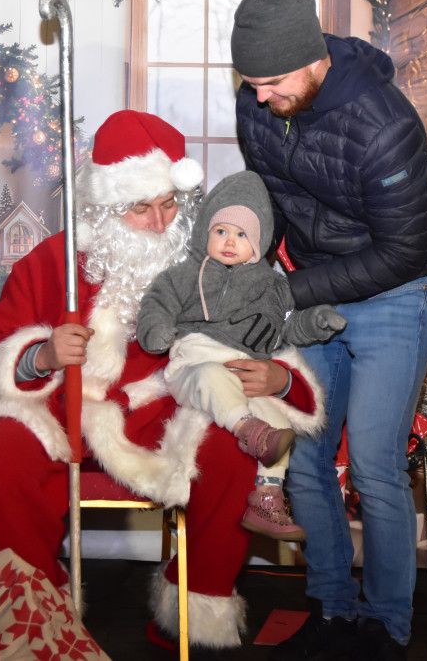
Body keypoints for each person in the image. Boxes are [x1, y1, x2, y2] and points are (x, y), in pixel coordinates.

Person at [0, 110, 327, 651]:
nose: (159, 223)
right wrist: (40, 355)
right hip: (67, 420)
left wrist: (278, 378)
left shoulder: (219, 267)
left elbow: (272, 340)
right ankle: (31, 611)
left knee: (235, 442)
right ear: (105, 209)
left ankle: (193, 607)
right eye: (139, 208)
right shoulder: (51, 264)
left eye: (169, 204)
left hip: (170, 417)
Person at [230, 0, 427, 661]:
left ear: (313, 56)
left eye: (271, 80)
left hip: (401, 286)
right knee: (309, 458)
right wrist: (244, 261)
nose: (260, 96)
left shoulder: (382, 122)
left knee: (376, 466)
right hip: (316, 282)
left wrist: (289, 290)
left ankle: (385, 625)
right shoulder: (260, 105)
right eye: (251, 82)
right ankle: (332, 608)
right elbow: (270, 195)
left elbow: (405, 249)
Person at [136, 170, 344, 542]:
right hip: (194, 361)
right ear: (205, 233)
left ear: (258, 243)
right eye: (221, 231)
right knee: (210, 378)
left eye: (241, 234)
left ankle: (267, 497)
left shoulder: (272, 288)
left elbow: (287, 329)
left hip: (245, 371)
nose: (230, 241)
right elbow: (157, 303)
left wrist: (316, 322)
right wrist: (156, 330)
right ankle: (248, 431)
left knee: (278, 423)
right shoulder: (184, 275)